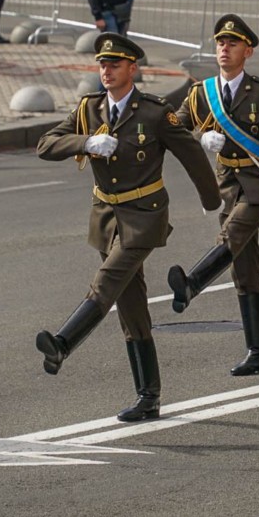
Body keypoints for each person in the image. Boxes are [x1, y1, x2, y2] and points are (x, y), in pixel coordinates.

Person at [34, 33, 222, 422]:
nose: (106, 71)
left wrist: (212, 200)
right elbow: (46, 144)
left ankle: (64, 343)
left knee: (107, 280)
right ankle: (148, 396)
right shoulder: (90, 110)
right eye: (102, 64)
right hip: (107, 218)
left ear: (132, 69)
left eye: (114, 65)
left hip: (144, 216)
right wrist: (86, 143)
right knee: (131, 305)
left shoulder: (154, 112)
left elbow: (190, 154)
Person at [168, 15, 259, 376]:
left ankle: (193, 283)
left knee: (232, 235)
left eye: (233, 44)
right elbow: (174, 129)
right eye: (220, 43)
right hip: (228, 185)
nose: (224, 49)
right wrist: (198, 138)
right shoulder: (200, 94)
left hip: (258, 184)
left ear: (247, 51)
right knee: (244, 268)